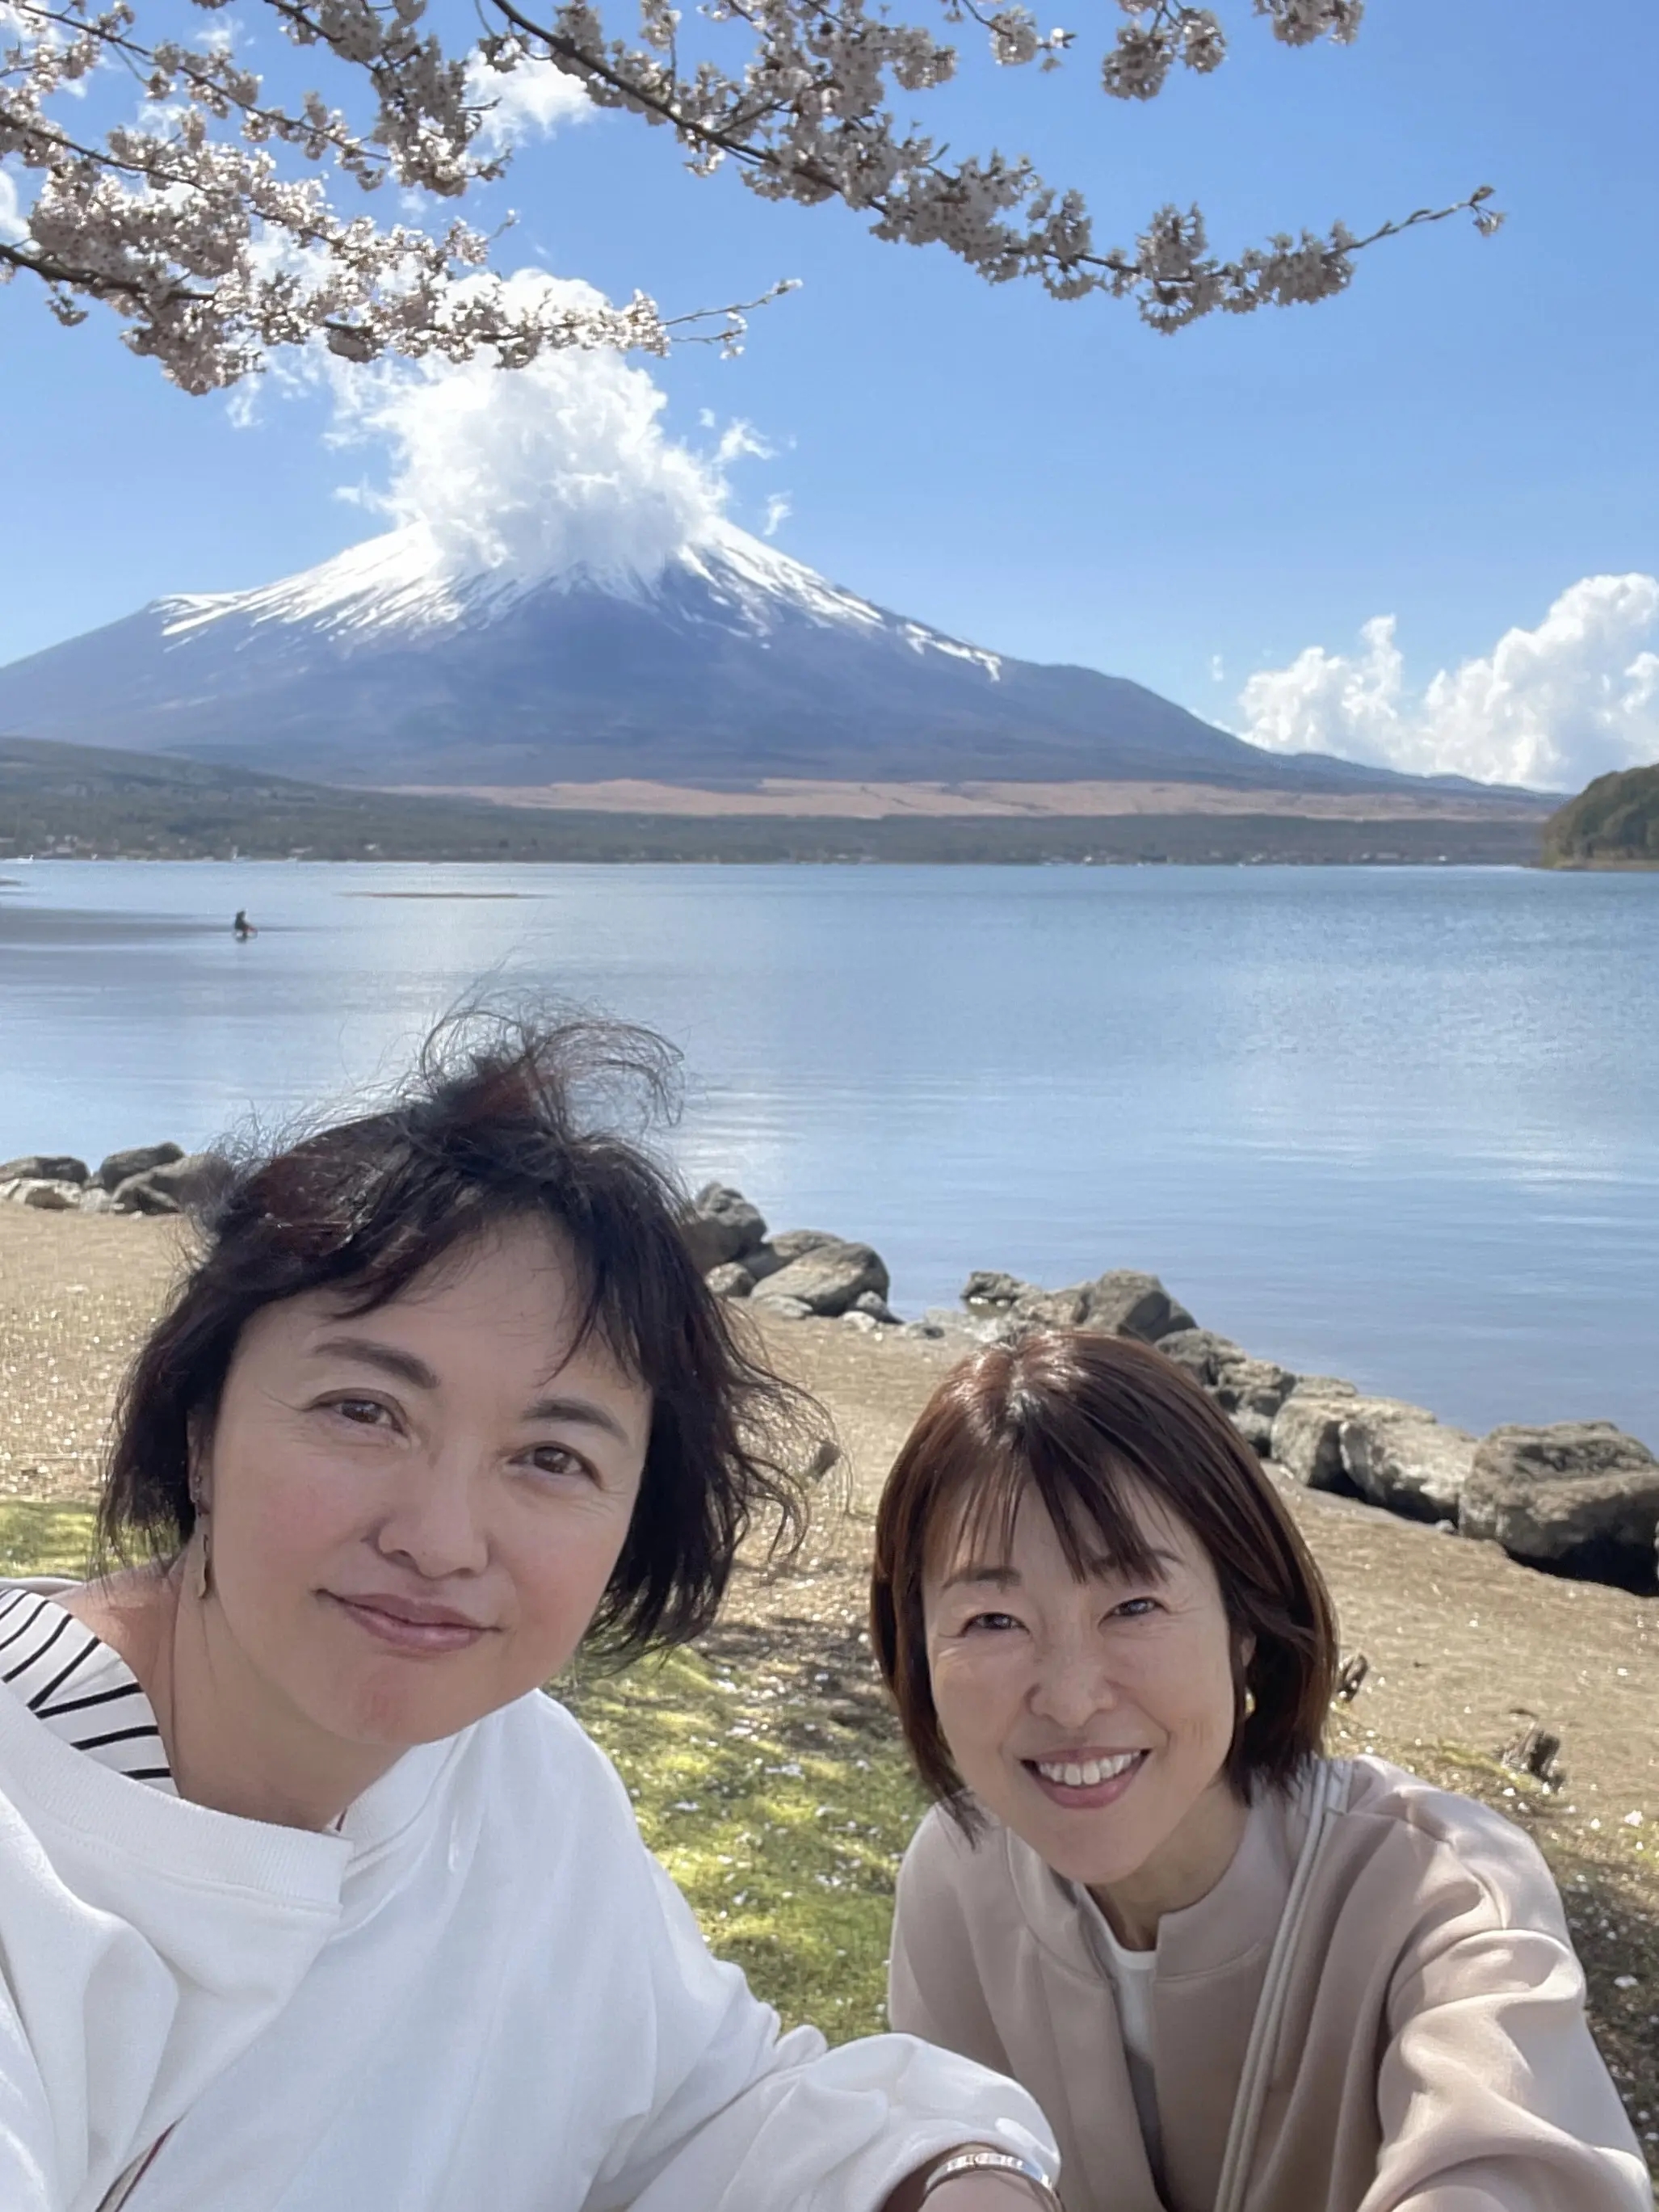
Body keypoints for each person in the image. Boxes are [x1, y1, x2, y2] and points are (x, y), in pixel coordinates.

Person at [0, 1015, 1060, 2212]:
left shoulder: (517, 1787)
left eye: (550, 1456)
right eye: (363, 1409)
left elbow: (713, 2112)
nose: (439, 1538)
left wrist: (950, 2173)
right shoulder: (33, 1836)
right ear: (202, 1430)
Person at [871, 1328, 1651, 2212]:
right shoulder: (957, 1874)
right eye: (991, 1619)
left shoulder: (1438, 1893)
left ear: (1246, 1623)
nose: (1071, 1696)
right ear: (916, 1648)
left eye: (1132, 1604)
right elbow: (941, 2130)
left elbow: (1516, 2163)